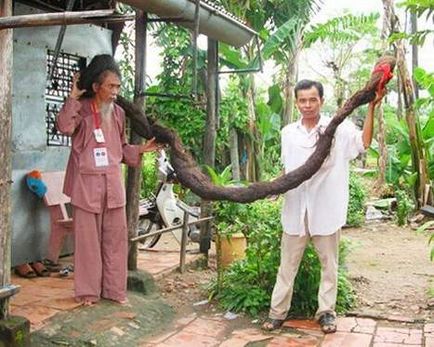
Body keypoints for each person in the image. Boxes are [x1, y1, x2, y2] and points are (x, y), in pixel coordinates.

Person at [262, 80, 385, 333]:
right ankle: (277, 313)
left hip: (326, 208)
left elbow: (364, 143)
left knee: (329, 266)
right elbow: (288, 168)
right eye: (302, 100)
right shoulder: (288, 133)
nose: (307, 105)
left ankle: (326, 312)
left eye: (312, 100)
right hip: (295, 209)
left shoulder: (338, 128)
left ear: (322, 101)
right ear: (296, 102)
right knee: (287, 266)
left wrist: (372, 107)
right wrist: (275, 188)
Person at [56, 54, 161, 306]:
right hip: (86, 187)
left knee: (115, 241)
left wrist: (141, 151)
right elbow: (64, 128)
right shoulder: (80, 108)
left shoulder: (119, 114)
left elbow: (120, 148)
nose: (115, 92)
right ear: (96, 87)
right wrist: (72, 97)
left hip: (113, 187)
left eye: (118, 87)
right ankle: (87, 293)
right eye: (110, 86)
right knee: (88, 244)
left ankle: (114, 291)